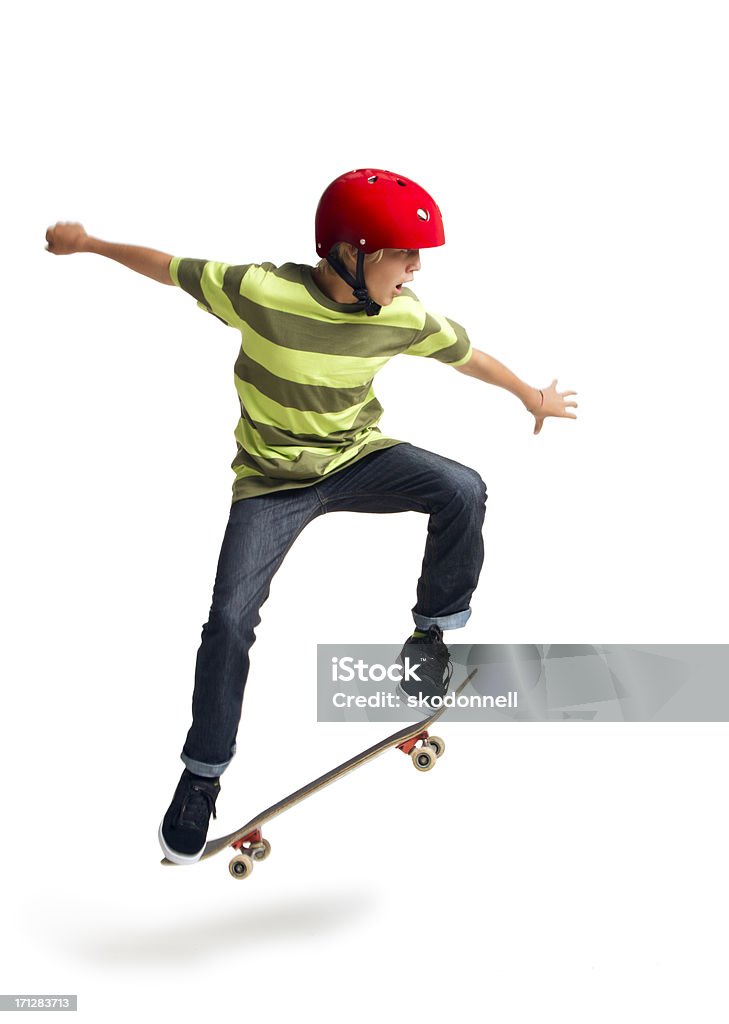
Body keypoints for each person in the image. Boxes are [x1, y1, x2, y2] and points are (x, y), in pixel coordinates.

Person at [45, 168, 577, 864]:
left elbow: (466, 355)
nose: (414, 270)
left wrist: (528, 394)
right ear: (350, 253)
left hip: (357, 459)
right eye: (402, 254)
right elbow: (169, 269)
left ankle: (428, 637)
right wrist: (89, 244)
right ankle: (202, 776)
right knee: (229, 620)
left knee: (461, 488)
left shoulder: (402, 316)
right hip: (269, 485)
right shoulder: (259, 292)